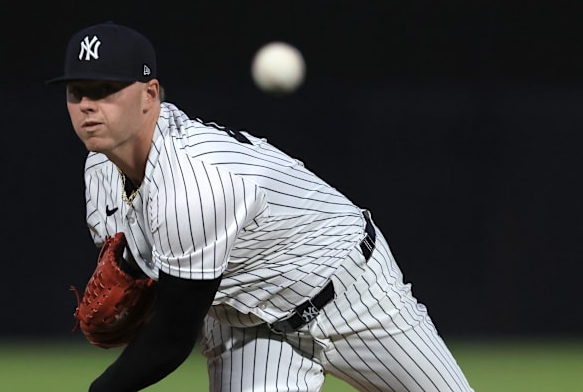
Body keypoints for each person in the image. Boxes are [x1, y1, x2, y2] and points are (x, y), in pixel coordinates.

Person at [47, 21, 474, 392]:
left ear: (149, 95)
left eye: (106, 90)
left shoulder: (195, 182)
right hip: (245, 323)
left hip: (351, 295)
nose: (87, 105)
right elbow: (160, 285)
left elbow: (174, 336)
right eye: (77, 91)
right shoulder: (99, 171)